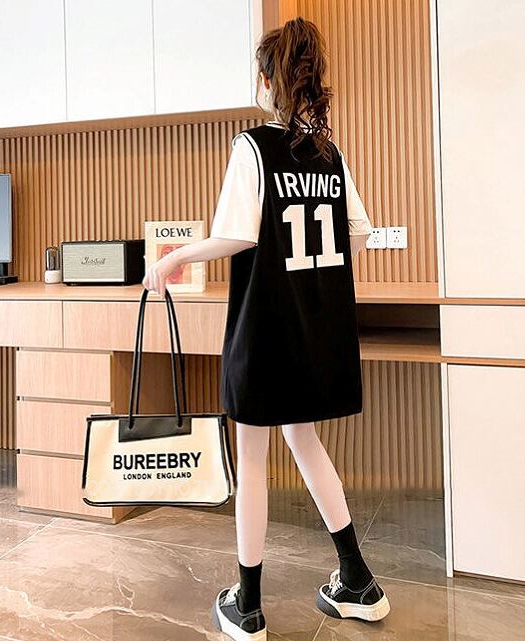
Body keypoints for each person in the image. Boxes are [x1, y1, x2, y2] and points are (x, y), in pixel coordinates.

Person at [142, 16, 390, 641]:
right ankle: (357, 579)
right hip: (316, 327)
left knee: (252, 457)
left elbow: (236, 236)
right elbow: (361, 234)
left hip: (266, 327)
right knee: (303, 440)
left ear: (269, 80)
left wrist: (173, 258)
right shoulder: (329, 154)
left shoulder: (254, 146)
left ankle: (247, 603)